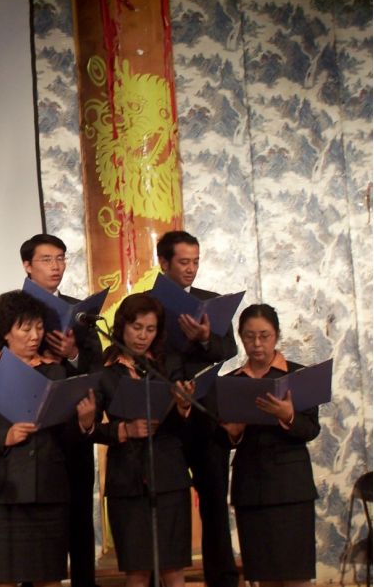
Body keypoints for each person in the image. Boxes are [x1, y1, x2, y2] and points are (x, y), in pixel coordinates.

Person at [0, 291, 96, 587]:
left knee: (48, 578)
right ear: (6, 332)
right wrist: (3, 436)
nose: (35, 336)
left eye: (39, 328)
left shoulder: (56, 372)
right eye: (26, 328)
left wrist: (84, 422)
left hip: (49, 489)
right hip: (3, 490)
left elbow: (66, 433)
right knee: (2, 578)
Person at [89, 293, 194, 587]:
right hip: (128, 480)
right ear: (122, 325)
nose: (143, 336)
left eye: (150, 329)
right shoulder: (104, 370)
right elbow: (90, 428)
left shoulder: (168, 364)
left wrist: (183, 406)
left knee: (173, 569)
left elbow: (183, 427)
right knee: (137, 571)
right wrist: (123, 430)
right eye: (137, 327)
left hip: (169, 477)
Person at [156, 231, 239, 587]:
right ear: (164, 262)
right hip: (166, 419)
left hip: (207, 417)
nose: (191, 269)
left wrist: (204, 339)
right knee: (165, 507)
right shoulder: (147, 305)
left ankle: (222, 580)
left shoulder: (210, 302)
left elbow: (229, 349)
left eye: (195, 262)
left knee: (215, 506)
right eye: (183, 262)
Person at [20, 233, 99, 587]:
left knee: (80, 517)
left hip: (74, 426)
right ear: (27, 266)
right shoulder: (13, 309)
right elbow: (0, 364)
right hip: (31, 431)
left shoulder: (80, 311)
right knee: (31, 524)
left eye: (61, 258)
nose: (56, 266)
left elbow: (97, 366)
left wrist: (72, 354)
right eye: (47, 259)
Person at [220, 304, 319, 587]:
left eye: (264, 336)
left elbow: (311, 428)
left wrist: (288, 416)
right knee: (264, 577)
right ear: (240, 337)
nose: (257, 344)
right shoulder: (231, 383)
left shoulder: (298, 376)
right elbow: (218, 439)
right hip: (251, 488)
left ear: (276, 335)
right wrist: (233, 433)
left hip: (291, 488)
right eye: (249, 337)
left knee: (296, 576)